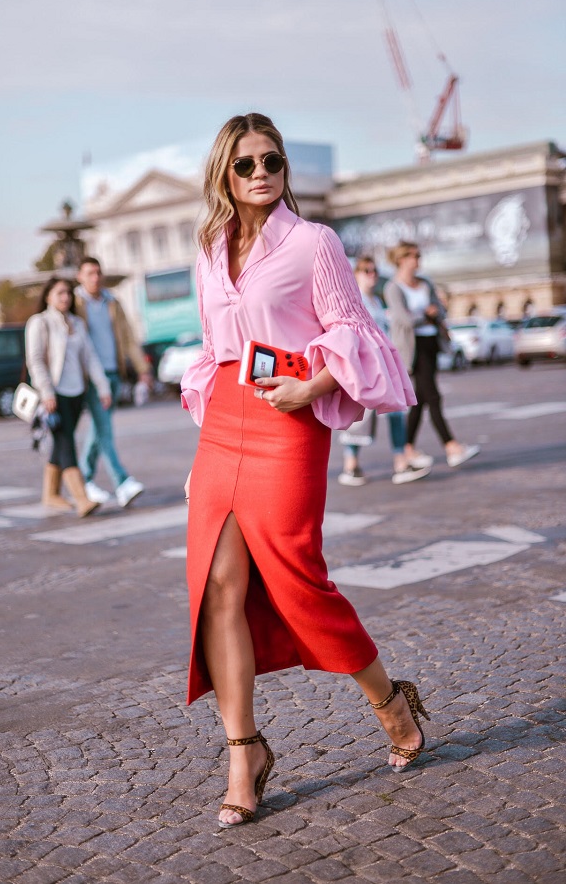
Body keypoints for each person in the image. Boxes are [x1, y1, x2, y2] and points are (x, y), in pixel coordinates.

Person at [180, 113, 432, 830]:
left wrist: (313, 388)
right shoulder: (208, 248)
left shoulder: (316, 243)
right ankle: (244, 754)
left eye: (273, 161)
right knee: (216, 590)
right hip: (223, 424)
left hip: (287, 419)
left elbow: (354, 332)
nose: (261, 173)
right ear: (224, 174)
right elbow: (211, 350)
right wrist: (206, 456)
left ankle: (391, 701)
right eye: (246, 164)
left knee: (298, 579)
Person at [384, 241, 480, 468]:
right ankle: (451, 446)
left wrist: (431, 314)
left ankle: (406, 448)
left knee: (420, 399)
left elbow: (440, 309)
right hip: (412, 346)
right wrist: (426, 315)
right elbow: (403, 320)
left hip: (430, 342)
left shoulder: (425, 282)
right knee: (433, 396)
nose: (418, 260)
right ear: (401, 259)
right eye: (414, 256)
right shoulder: (393, 287)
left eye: (419, 255)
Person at [338, 255, 431, 486]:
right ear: (356, 274)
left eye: (374, 271)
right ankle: (351, 465)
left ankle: (400, 462)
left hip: (383, 365)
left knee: (396, 410)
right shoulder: (353, 299)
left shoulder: (378, 302)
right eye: (366, 270)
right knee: (359, 417)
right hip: (363, 366)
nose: (372, 275)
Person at [25, 277, 112, 517]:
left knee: (63, 441)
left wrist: (103, 388)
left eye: (68, 293)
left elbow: (91, 358)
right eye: (60, 293)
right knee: (66, 444)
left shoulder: (77, 323)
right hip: (55, 394)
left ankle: (50, 494)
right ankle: (81, 498)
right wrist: (46, 391)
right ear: (48, 296)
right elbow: (35, 360)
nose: (66, 297)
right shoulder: (40, 322)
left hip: (76, 393)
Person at [75, 257, 153, 508]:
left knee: (100, 429)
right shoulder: (75, 305)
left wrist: (142, 369)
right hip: (92, 378)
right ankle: (121, 482)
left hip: (114, 373)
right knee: (104, 430)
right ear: (80, 277)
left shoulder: (112, 302)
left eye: (98, 272)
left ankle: (84, 479)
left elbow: (128, 337)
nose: (95, 278)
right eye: (89, 273)